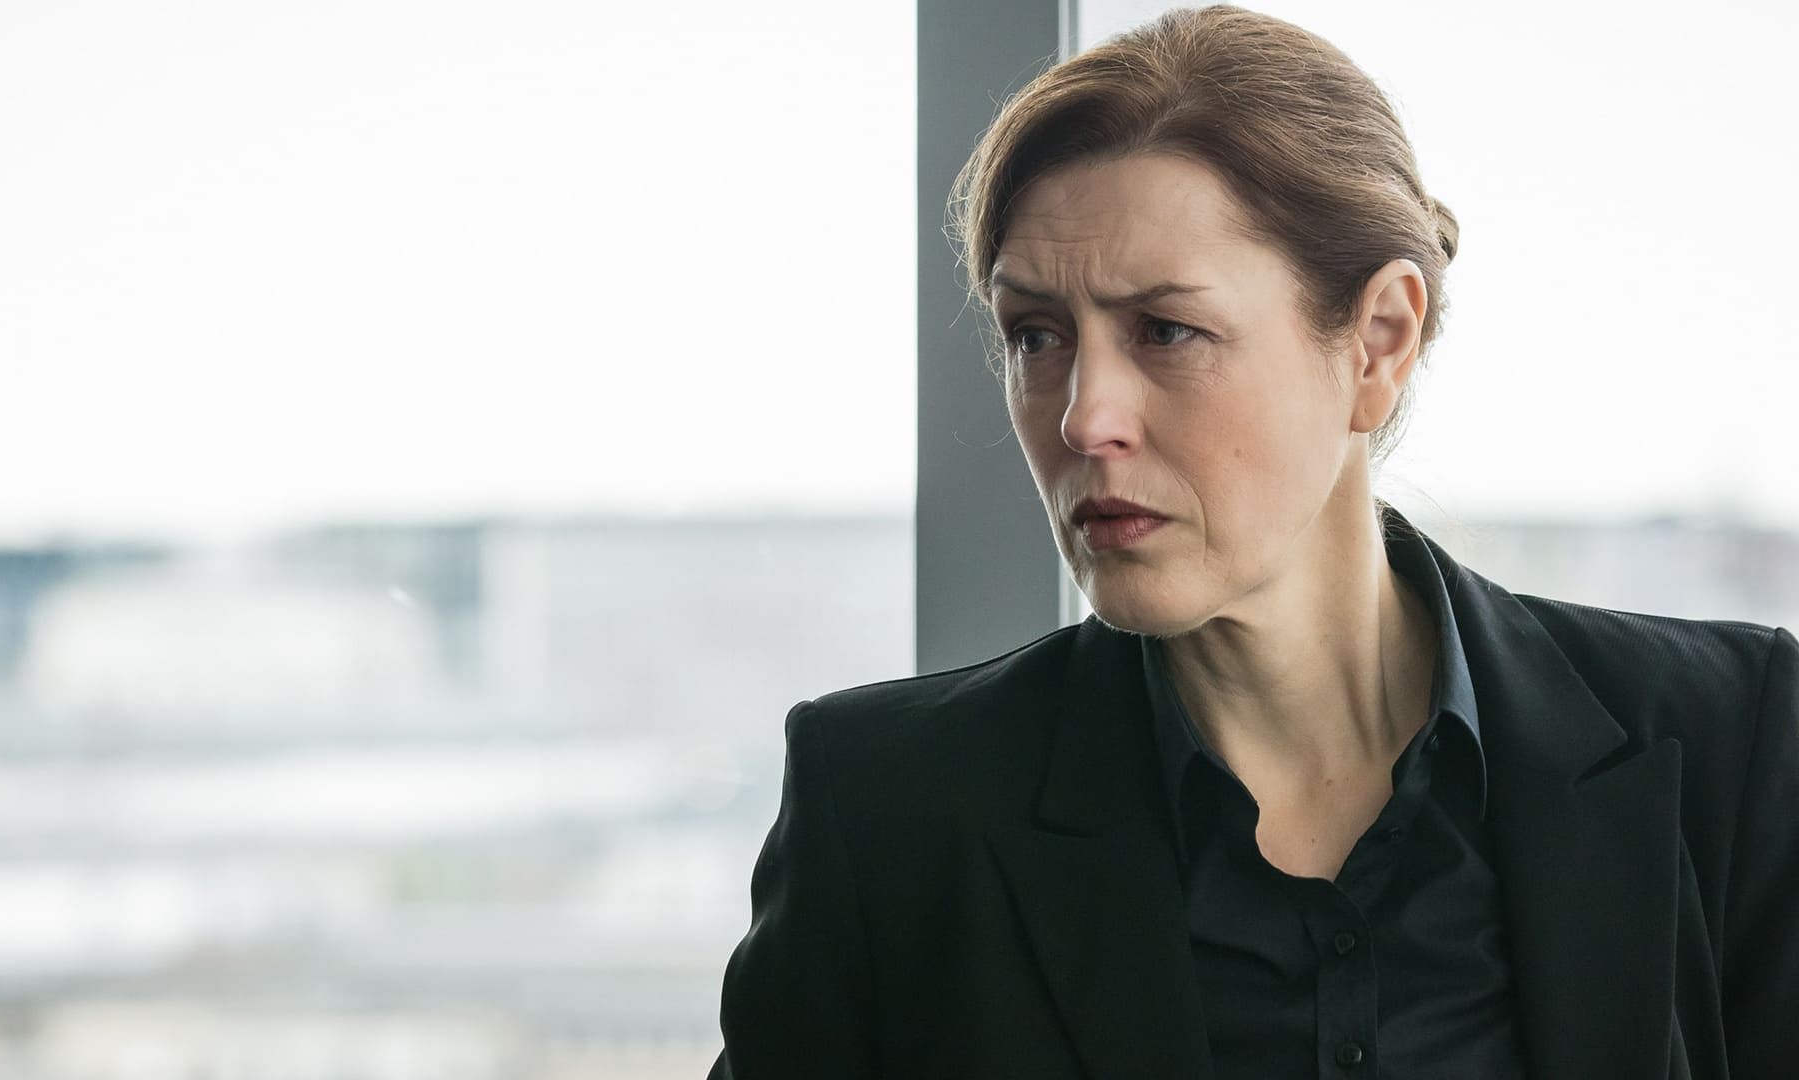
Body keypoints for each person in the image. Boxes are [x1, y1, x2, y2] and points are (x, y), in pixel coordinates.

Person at [708, 5, 1798, 1077]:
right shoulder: (889, 809)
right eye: (1036, 335)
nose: (1084, 418)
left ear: (1378, 344)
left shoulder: (1731, 744)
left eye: (1166, 330)